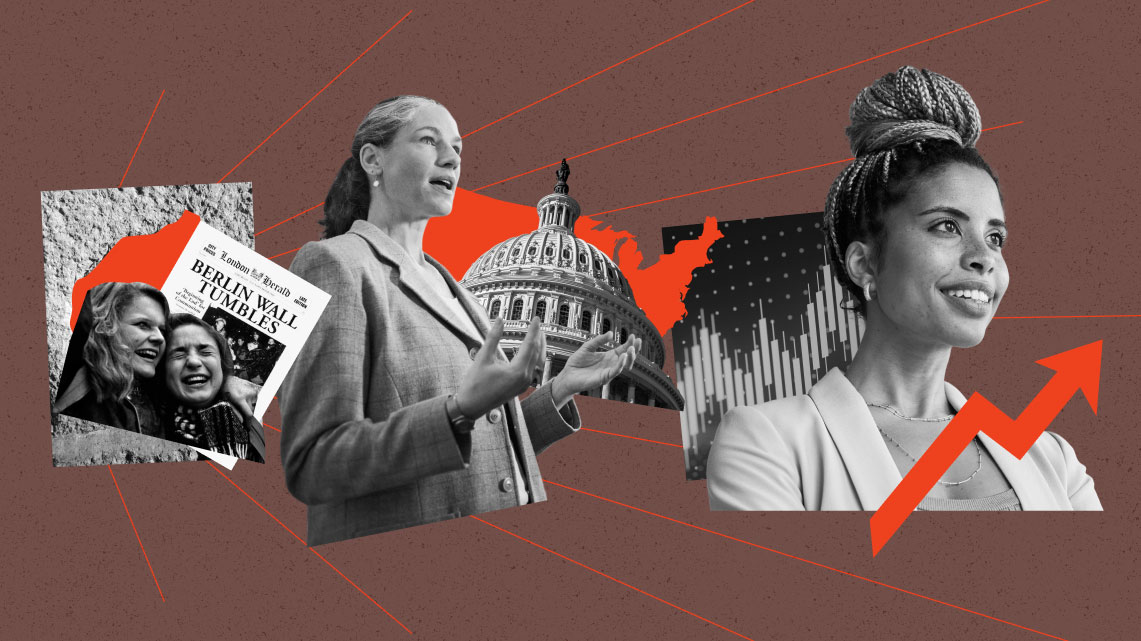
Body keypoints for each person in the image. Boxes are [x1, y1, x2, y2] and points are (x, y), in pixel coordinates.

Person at [706, 66, 1100, 511]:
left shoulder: (1054, 461)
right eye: (947, 226)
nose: (984, 257)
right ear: (864, 264)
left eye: (995, 237)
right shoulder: (767, 442)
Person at [280, 95, 640, 545]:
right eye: (429, 141)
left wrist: (560, 388)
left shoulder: (461, 294)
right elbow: (314, 464)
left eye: (457, 148)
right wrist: (457, 410)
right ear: (373, 159)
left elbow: (484, 449)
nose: (451, 158)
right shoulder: (335, 265)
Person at [53, 282, 168, 437]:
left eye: (162, 330)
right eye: (143, 324)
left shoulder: (155, 406)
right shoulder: (71, 364)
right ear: (106, 324)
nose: (160, 338)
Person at [162, 314, 266, 462]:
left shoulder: (252, 407)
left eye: (205, 352)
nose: (193, 361)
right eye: (178, 354)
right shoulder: (150, 420)